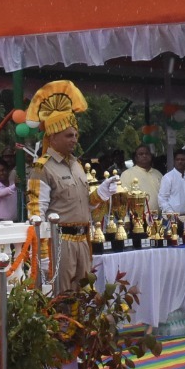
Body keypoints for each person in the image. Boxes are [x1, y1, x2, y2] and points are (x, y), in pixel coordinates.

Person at [24, 81, 119, 294]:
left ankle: (80, 329)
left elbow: (86, 205)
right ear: (53, 136)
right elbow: (36, 214)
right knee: (61, 295)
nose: (74, 140)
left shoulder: (77, 165)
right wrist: (43, 254)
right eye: (69, 135)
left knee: (84, 293)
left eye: (75, 135)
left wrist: (101, 194)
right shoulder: (42, 168)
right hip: (60, 243)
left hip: (83, 239)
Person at [118, 145, 163, 209]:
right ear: (136, 158)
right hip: (138, 217)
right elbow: (124, 198)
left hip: (159, 217)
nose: (144, 156)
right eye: (141, 154)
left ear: (151, 156)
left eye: (147, 153)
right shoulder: (127, 174)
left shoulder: (158, 174)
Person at [159, 150, 185, 214]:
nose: (180, 161)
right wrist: (172, 215)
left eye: (182, 160)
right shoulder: (168, 177)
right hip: (172, 218)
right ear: (174, 161)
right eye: (177, 159)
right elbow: (162, 199)